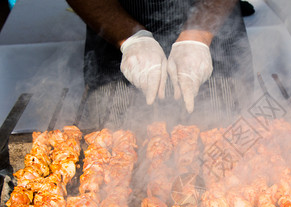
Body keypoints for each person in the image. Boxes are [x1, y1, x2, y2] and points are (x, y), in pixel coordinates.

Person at [67, 0, 254, 127]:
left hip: (215, 32)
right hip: (115, 33)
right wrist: (133, 40)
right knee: (109, 139)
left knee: (231, 138)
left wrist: (198, 37)